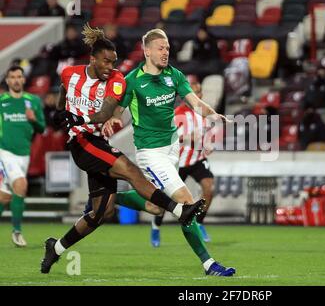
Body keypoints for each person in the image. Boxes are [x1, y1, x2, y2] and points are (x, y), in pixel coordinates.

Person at [40, 24, 204, 274]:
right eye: (105, 62)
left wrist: (80, 119)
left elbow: (105, 113)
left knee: (100, 213)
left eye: (113, 62)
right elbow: (64, 89)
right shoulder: (70, 73)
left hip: (96, 140)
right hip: (82, 143)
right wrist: (60, 111)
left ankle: (57, 247)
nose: (110, 67)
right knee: (130, 169)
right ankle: (180, 210)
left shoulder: (117, 79)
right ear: (92, 58)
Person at [101, 28, 236, 276]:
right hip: (151, 153)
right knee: (186, 202)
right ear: (147, 50)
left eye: (168, 49)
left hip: (172, 149)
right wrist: (112, 120)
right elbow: (119, 112)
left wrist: (212, 113)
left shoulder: (174, 75)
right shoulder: (132, 80)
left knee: (156, 208)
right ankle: (209, 264)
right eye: (161, 48)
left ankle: (108, 196)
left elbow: (195, 102)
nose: (166, 53)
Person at [151, 75, 215, 246]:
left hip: (197, 160)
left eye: (198, 93)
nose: (196, 97)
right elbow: (167, 136)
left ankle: (200, 222)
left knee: (209, 187)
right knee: (166, 200)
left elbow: (209, 136)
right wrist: (187, 137)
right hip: (178, 161)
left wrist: (209, 143)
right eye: (192, 93)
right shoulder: (177, 113)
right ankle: (156, 226)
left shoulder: (204, 113)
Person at [0, 66, 46, 247]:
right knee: (21, 184)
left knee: (4, 197)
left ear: (24, 79)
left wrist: (34, 119)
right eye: (12, 77)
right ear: (8, 80)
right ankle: (17, 232)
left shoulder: (33, 100)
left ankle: (16, 230)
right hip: (4, 152)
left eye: (19, 76)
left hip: (23, 155)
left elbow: (42, 129)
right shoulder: (1, 101)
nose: (16, 80)